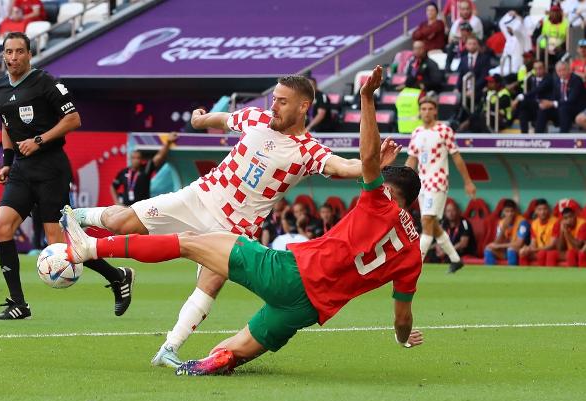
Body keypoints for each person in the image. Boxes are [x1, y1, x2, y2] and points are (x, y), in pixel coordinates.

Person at [60, 66, 424, 375]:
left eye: (282, 101)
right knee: (124, 221)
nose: (273, 105)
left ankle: (170, 347)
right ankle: (76, 217)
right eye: (274, 98)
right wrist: (202, 119)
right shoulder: (257, 119)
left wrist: (370, 162)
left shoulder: (310, 151)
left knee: (207, 284)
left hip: (236, 226)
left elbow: (348, 167)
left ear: (303, 106)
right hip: (201, 197)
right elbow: (226, 119)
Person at [0, 32, 134, 319]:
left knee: (58, 242)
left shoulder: (46, 82)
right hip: (21, 169)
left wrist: (39, 140)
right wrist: (7, 162)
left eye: (19, 51)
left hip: (50, 168)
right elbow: (6, 124)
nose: (13, 57)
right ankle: (18, 303)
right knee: (1, 227)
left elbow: (73, 119)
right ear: (3, 55)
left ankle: (118, 276)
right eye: (9, 52)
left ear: (30, 54)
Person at [406, 96, 476, 273]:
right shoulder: (416, 133)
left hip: (437, 181)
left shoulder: (444, 130)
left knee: (427, 221)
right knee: (433, 225)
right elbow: (412, 159)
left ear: (435, 111)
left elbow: (456, 156)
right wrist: (402, 182)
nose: (427, 112)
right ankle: (455, 259)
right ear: (420, 111)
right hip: (421, 183)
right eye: (424, 109)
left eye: (430, 108)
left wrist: (468, 181)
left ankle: (414, 265)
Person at [111, 132, 176, 206]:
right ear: (130, 159)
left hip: (142, 207)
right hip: (126, 207)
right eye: (134, 158)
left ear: (141, 159)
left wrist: (168, 142)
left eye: (138, 158)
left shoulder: (146, 168)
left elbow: (159, 157)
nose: (136, 160)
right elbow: (113, 186)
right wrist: (116, 202)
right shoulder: (124, 172)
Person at [537, 61, 586, 133]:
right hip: (561, 108)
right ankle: (538, 137)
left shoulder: (576, 80)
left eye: (564, 70)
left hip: (576, 109)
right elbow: (554, 98)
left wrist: (552, 103)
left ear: (569, 69)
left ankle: (563, 136)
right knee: (544, 109)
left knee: (564, 108)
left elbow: (571, 101)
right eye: (559, 71)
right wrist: (547, 103)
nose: (562, 73)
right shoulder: (556, 81)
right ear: (556, 72)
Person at [484, 199, 530, 266]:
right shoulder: (502, 223)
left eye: (512, 211)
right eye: (507, 211)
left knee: (511, 250)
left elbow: (519, 244)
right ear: (503, 212)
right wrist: (503, 229)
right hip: (506, 250)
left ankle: (512, 274)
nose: (510, 214)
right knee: (488, 249)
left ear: (516, 211)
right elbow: (497, 242)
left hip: (519, 251)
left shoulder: (522, 222)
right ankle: (491, 273)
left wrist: (498, 246)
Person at [515, 60, 552, 134]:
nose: (538, 71)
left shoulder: (549, 78)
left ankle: (537, 136)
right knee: (523, 107)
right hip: (535, 105)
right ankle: (524, 134)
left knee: (540, 108)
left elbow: (537, 90)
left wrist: (520, 97)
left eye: (540, 68)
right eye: (536, 69)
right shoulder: (532, 79)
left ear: (544, 69)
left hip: (547, 106)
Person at [519, 199, 556, 266]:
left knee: (541, 254)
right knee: (522, 252)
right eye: (539, 209)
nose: (542, 212)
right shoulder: (534, 223)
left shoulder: (555, 222)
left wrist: (534, 249)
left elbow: (552, 245)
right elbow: (533, 243)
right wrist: (527, 248)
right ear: (535, 211)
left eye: (545, 209)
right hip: (538, 250)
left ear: (548, 210)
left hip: (550, 251)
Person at [455, 37, 491, 103]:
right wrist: (457, 88)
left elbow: (483, 76)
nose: (472, 46)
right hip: (464, 88)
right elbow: (460, 74)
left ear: (478, 45)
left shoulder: (484, 58)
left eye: (474, 44)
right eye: (470, 44)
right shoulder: (464, 58)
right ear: (466, 45)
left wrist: (473, 89)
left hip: (478, 88)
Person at [536, 4, 569, 68]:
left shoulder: (566, 22)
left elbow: (568, 38)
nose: (555, 14)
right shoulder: (545, 21)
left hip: (560, 48)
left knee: (563, 56)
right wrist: (547, 47)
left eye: (556, 12)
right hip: (546, 48)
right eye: (553, 12)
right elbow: (539, 37)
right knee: (540, 56)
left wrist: (559, 47)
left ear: (560, 13)